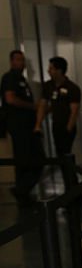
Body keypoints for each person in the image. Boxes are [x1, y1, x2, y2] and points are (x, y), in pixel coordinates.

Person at [0, 49, 43, 206]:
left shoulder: (21, 79)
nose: (21, 63)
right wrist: (32, 107)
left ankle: (22, 190)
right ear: (12, 61)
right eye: (18, 60)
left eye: (22, 60)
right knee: (26, 159)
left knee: (33, 158)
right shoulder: (9, 78)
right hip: (19, 126)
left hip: (28, 125)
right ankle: (21, 190)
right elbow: (10, 99)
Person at [34, 56, 81, 156]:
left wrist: (68, 129)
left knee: (66, 152)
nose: (48, 71)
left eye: (51, 68)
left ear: (59, 71)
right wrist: (38, 125)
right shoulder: (48, 86)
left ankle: (69, 171)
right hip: (56, 124)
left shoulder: (72, 88)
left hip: (67, 124)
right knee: (59, 152)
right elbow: (43, 105)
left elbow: (74, 111)